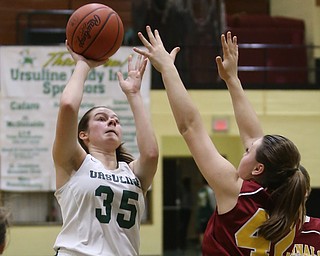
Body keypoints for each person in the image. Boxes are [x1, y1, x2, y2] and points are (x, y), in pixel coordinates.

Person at [133, 26, 320, 255]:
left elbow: (190, 127)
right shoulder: (298, 219)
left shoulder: (236, 193)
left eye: (248, 151)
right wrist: (232, 79)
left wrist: (167, 69)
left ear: (259, 168)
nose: (246, 148)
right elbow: (254, 137)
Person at [52, 42, 159, 256]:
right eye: (101, 119)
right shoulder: (74, 162)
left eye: (116, 121)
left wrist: (134, 94)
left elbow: (151, 153)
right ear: (84, 135)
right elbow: (68, 106)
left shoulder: (133, 173)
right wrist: (83, 64)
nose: (111, 122)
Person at [196, 178, 215, 246]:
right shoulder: (210, 191)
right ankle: (208, 245)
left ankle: (202, 245)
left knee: (201, 231)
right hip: (208, 214)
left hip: (201, 214)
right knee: (209, 230)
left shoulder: (201, 191)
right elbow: (213, 203)